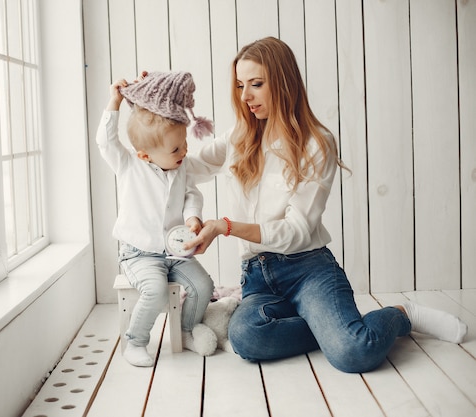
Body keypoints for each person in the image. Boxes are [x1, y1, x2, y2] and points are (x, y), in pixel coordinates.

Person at [184, 36, 467, 373]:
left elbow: (297, 231)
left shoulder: (316, 144)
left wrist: (225, 227)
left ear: (283, 82)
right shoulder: (238, 137)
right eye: (241, 85)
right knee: (246, 339)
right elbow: (180, 166)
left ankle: (402, 316)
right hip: (257, 275)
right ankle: (336, 327)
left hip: (308, 269)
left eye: (256, 84)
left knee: (354, 353)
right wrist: (150, 118)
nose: (245, 96)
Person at [96, 71, 216, 367]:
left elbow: (191, 195)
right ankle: (135, 341)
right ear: (144, 155)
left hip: (175, 250)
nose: (184, 152)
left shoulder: (181, 167)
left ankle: (187, 330)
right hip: (140, 253)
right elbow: (106, 141)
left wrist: (193, 219)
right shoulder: (129, 166)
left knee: (203, 285)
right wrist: (114, 102)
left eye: (185, 143)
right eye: (176, 149)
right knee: (156, 290)